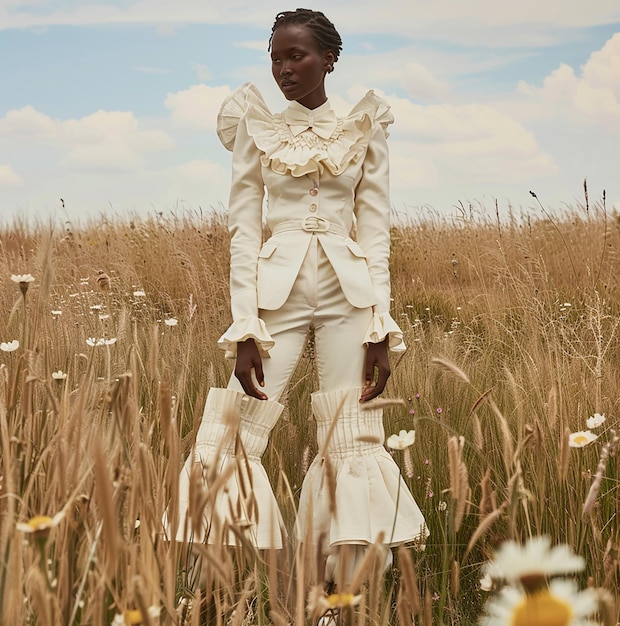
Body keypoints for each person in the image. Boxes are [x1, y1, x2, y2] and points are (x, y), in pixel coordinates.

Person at [172, 7, 428, 594]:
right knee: (235, 427)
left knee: (349, 435)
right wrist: (244, 328)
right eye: (276, 58)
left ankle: (340, 595)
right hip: (274, 296)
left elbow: (376, 229)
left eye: (297, 56)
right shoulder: (255, 124)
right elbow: (243, 228)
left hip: (350, 294)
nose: (284, 69)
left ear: (328, 60)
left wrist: (379, 328)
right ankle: (207, 589)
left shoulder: (364, 125)